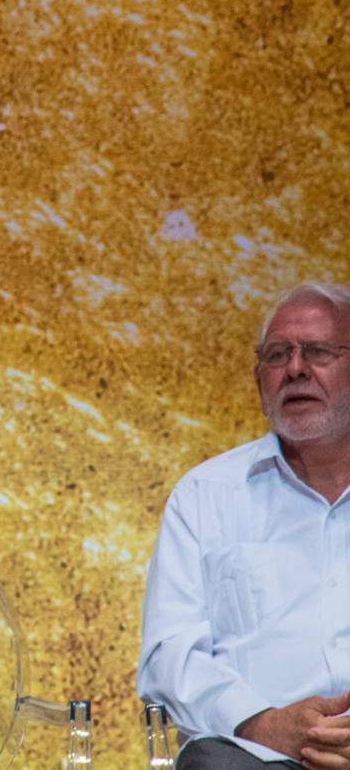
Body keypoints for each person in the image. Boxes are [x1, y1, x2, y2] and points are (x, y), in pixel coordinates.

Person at [138, 281, 350, 770]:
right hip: (254, 757)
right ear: (259, 383)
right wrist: (265, 724)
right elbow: (169, 657)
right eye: (277, 355)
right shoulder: (205, 495)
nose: (295, 369)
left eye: (318, 352)